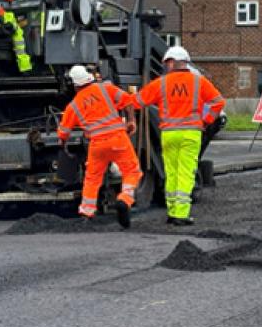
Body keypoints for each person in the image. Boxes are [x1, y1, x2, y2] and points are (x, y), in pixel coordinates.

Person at [133, 47, 225, 226]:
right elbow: (218, 102)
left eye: (167, 62)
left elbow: (138, 101)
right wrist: (205, 121)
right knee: (185, 173)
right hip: (191, 134)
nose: (166, 66)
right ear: (185, 62)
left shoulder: (161, 83)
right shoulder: (199, 82)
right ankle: (181, 215)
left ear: (172, 62)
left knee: (171, 172)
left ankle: (172, 211)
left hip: (169, 134)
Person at [58, 66, 141, 228]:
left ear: (75, 85)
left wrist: (63, 145)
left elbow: (63, 132)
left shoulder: (74, 105)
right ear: (89, 78)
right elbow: (129, 100)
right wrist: (131, 121)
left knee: (92, 178)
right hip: (118, 139)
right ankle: (125, 199)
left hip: (97, 144)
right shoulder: (106, 89)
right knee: (132, 171)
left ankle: (87, 213)